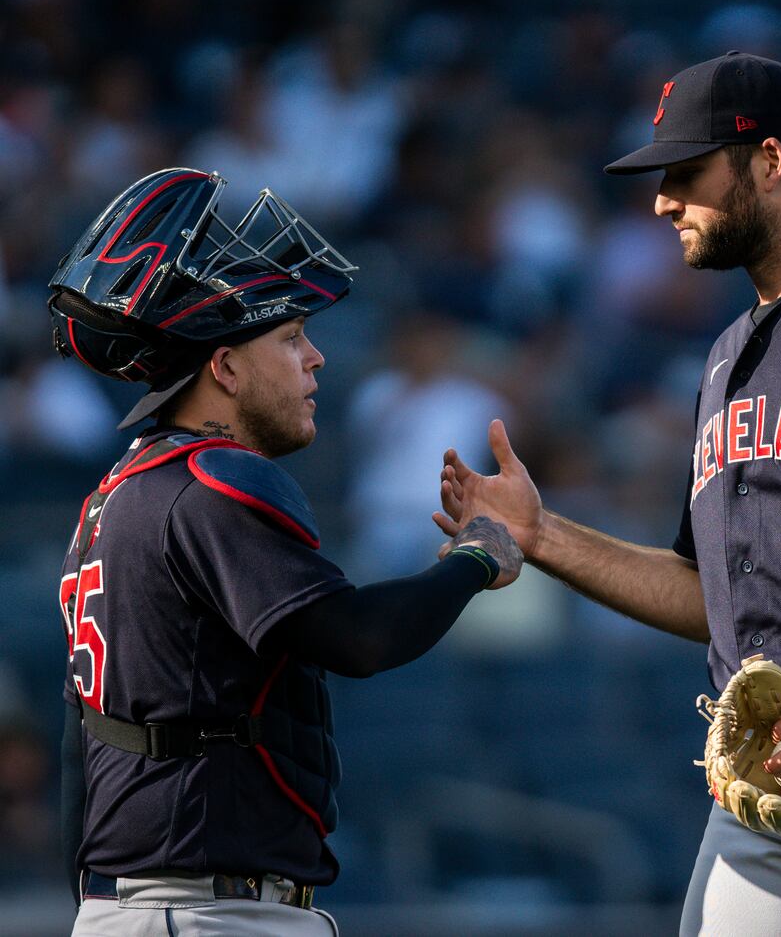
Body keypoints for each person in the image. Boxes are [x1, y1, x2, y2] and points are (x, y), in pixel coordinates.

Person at [434, 52, 781, 936]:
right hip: (767, 753)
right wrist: (544, 539)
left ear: (771, 161)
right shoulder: (725, 356)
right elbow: (706, 598)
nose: (661, 201)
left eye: (686, 174)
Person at [49, 167, 522, 936]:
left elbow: (79, 748)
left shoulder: (113, 496)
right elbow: (359, 639)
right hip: (210, 912)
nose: (316, 360)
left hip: (137, 904)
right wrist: (477, 557)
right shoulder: (212, 478)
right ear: (225, 367)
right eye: (291, 336)